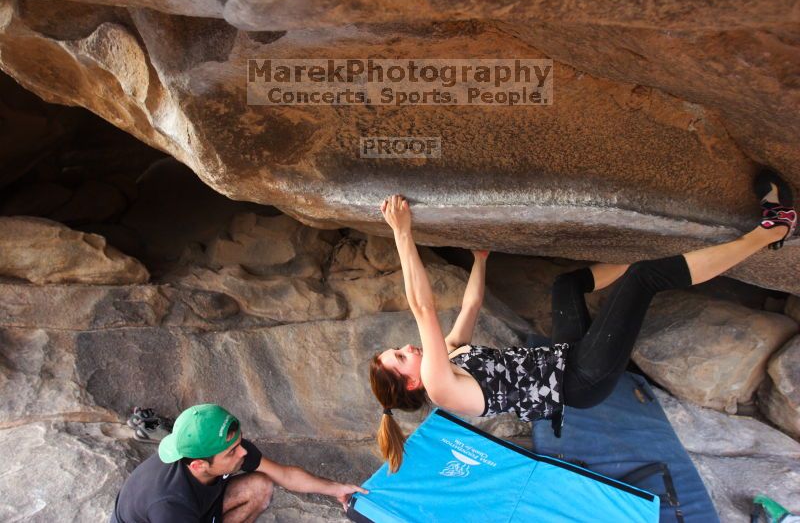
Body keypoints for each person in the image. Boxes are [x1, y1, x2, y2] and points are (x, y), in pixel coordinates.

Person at [369, 170, 797, 472]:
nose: (408, 349)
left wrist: (480, 259)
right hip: (580, 379)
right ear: (410, 383)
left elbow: (472, 306)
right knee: (645, 280)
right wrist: (401, 233)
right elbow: (422, 307)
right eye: (400, 358)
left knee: (566, 286)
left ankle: (645, 259)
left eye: (399, 349)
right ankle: (773, 230)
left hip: (563, 358)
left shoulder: (449, 353)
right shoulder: (442, 387)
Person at [110, 403, 367, 522]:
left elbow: (285, 475)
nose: (242, 453)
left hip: (200, 509)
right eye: (231, 453)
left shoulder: (225, 448)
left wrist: (337, 489)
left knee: (260, 486)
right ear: (199, 465)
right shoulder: (169, 505)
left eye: (238, 444)